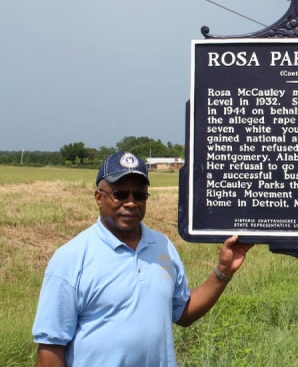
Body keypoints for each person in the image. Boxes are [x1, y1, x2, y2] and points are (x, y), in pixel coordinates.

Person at [32, 152, 252, 367]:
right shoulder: (71, 257)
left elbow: (183, 313)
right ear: (99, 197)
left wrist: (224, 271)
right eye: (120, 194)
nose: (130, 203)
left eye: (139, 195)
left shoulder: (162, 246)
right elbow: (51, 348)